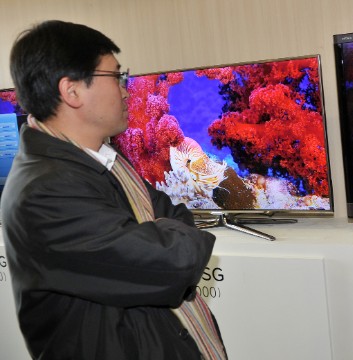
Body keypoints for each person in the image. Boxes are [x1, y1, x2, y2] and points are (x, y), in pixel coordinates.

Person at [1, 20, 227, 359]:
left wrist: (156, 233)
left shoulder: (103, 160)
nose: (126, 89)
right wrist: (162, 236)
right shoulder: (45, 191)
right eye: (115, 76)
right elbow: (173, 263)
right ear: (71, 90)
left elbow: (174, 216)